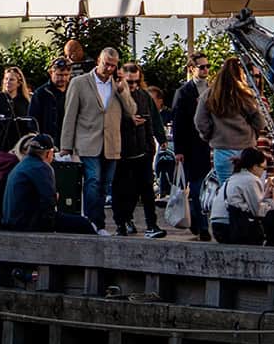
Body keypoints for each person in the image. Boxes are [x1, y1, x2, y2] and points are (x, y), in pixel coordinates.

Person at [59, 45, 137, 229]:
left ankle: (98, 221)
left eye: (113, 65)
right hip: (87, 141)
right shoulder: (79, 83)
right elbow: (70, 116)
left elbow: (131, 111)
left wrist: (122, 91)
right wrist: (66, 145)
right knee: (93, 181)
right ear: (98, 61)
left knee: (105, 185)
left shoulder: (117, 84)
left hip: (111, 144)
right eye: (106, 64)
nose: (109, 69)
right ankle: (95, 223)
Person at [196, 57, 269, 190]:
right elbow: (260, 121)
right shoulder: (246, 95)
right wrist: (253, 133)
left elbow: (200, 121)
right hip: (247, 149)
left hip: (222, 150)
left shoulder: (209, 95)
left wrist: (209, 136)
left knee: (226, 192)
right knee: (250, 192)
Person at [4, 134, 97, 234]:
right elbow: (49, 202)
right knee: (84, 224)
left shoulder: (21, 165)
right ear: (48, 153)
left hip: (15, 221)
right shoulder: (41, 167)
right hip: (29, 223)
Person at [113, 61, 164, 238]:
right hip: (123, 151)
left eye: (136, 81)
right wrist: (129, 121)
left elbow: (153, 120)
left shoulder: (144, 96)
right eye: (130, 82)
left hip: (142, 149)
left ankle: (152, 224)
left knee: (147, 189)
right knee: (124, 190)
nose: (133, 85)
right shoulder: (116, 96)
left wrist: (157, 141)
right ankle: (122, 222)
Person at [210, 147, 274, 246]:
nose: (263, 172)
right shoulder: (251, 179)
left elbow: (250, 205)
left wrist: (265, 195)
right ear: (254, 166)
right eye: (263, 168)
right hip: (231, 228)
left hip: (220, 227)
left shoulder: (236, 176)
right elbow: (259, 212)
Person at [171, 54, 214, 241]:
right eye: (201, 67)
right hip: (191, 147)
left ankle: (201, 222)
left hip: (209, 146)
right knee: (196, 188)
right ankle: (201, 225)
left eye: (207, 66)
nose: (205, 70)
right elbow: (178, 121)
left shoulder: (212, 89)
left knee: (205, 188)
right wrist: (178, 150)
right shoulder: (184, 92)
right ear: (191, 68)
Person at [30, 58, 70, 142]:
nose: (63, 78)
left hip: (69, 140)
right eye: (59, 75)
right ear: (51, 73)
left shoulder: (73, 90)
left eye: (66, 75)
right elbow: (33, 120)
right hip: (49, 141)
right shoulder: (41, 93)